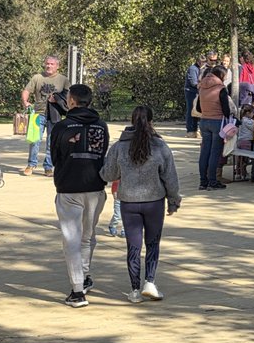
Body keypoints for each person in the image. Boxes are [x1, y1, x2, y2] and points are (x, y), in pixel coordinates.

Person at [100, 105, 181, 303]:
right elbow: (170, 177)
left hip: (128, 202)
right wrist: (173, 201)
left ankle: (134, 289)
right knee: (152, 243)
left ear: (131, 120)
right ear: (151, 121)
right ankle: (150, 282)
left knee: (133, 246)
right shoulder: (160, 146)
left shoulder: (119, 146)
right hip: (154, 202)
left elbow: (108, 174)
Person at [51, 84, 110, 308]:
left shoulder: (62, 126)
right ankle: (83, 275)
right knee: (87, 236)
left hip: (69, 187)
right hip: (95, 186)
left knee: (72, 239)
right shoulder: (102, 126)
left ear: (72, 101)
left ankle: (77, 290)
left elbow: (55, 157)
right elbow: (102, 153)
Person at [20, 55, 69, 176]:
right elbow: (26, 90)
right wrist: (25, 102)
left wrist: (58, 100)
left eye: (52, 64)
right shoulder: (37, 78)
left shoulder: (63, 80)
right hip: (38, 114)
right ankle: (31, 165)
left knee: (51, 142)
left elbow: (69, 95)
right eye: (47, 63)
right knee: (34, 140)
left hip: (55, 114)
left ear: (57, 66)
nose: (49, 66)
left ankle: (48, 166)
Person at [195, 65, 231, 190]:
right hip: (217, 122)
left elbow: (198, 108)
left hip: (204, 121)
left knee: (204, 152)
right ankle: (212, 181)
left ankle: (203, 181)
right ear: (221, 75)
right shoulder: (221, 89)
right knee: (215, 153)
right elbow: (226, 110)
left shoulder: (202, 87)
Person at [234, 104, 254, 181]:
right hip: (246, 141)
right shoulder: (249, 121)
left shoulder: (240, 120)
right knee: (245, 159)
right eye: (252, 113)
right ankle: (243, 173)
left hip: (239, 141)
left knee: (239, 158)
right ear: (248, 113)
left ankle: (238, 173)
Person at [184, 55, 202, 138]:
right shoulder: (193, 69)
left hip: (198, 91)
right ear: (198, 62)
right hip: (191, 92)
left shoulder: (200, 69)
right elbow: (193, 82)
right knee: (192, 110)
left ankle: (195, 129)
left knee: (197, 111)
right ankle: (191, 130)